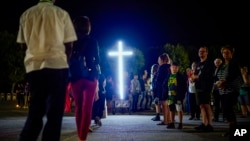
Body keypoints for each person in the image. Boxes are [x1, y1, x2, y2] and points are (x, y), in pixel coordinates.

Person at [16, 0, 77, 140]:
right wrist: (64, 60)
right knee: (55, 114)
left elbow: (23, 45)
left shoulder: (26, 14)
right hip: (57, 66)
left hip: (35, 68)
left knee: (35, 111)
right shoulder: (62, 14)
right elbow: (69, 44)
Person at [69, 16, 100, 141]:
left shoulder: (71, 41)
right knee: (87, 109)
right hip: (90, 78)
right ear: (88, 27)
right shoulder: (93, 42)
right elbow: (97, 61)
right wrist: (97, 81)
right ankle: (82, 138)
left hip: (76, 78)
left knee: (79, 109)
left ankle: (79, 135)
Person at [215, 45, 242, 136]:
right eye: (223, 52)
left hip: (232, 90)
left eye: (227, 52)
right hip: (222, 91)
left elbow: (234, 75)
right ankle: (232, 129)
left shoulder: (234, 63)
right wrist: (218, 83)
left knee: (228, 109)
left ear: (231, 53)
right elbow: (217, 76)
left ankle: (234, 130)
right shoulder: (222, 64)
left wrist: (224, 82)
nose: (225, 54)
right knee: (226, 110)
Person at [191, 46, 214, 132]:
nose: (201, 53)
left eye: (203, 51)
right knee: (201, 106)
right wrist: (192, 78)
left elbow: (209, 75)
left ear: (207, 53)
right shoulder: (198, 64)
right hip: (198, 87)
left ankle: (209, 125)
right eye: (200, 51)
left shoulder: (209, 64)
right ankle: (205, 123)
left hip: (206, 87)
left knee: (206, 105)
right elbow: (195, 74)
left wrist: (197, 77)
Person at [165, 62, 187, 129]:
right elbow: (165, 85)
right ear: (170, 68)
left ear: (178, 68)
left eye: (175, 67)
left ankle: (180, 123)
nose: (174, 69)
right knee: (171, 109)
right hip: (170, 96)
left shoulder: (180, 76)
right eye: (172, 67)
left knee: (179, 109)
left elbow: (184, 87)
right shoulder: (168, 75)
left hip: (178, 96)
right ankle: (172, 122)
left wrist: (181, 95)